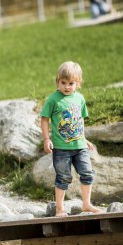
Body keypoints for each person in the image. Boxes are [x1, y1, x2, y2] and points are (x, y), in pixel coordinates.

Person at [40, 61, 103, 218]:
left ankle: (86, 204)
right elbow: (44, 118)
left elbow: (79, 120)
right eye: (63, 83)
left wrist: (84, 138)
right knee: (63, 177)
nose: (67, 87)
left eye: (71, 83)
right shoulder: (53, 99)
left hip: (80, 146)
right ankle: (60, 209)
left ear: (78, 83)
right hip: (61, 148)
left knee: (87, 173)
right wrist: (47, 138)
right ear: (57, 81)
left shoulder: (79, 99)